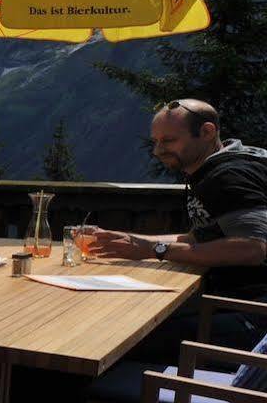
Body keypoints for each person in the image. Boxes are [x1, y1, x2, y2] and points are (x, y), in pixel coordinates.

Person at [88, 99, 267, 296]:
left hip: (249, 307)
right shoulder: (212, 171)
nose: (157, 151)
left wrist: (155, 250)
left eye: (168, 141)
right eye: (155, 142)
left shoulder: (228, 177)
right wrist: (129, 240)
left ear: (207, 132)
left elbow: (253, 249)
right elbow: (196, 238)